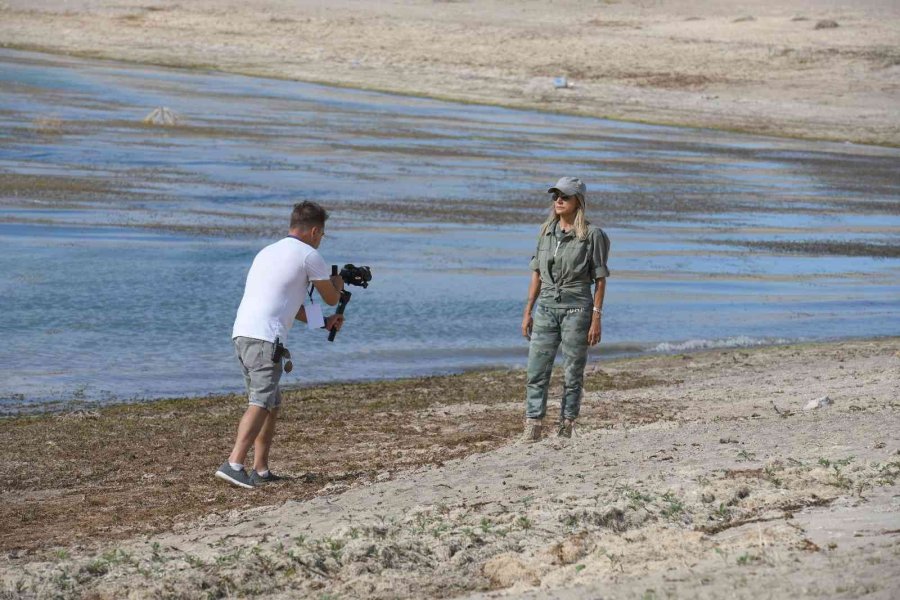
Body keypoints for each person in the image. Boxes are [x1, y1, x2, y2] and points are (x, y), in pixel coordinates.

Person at [215, 201, 345, 489]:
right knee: (261, 402)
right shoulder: (309, 255)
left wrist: (324, 322)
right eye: (322, 235)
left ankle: (260, 469)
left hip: (243, 333)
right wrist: (338, 282)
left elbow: (287, 304)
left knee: (271, 404)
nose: (321, 240)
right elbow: (332, 298)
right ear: (314, 231)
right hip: (265, 338)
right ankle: (233, 463)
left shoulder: (267, 252)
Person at [520, 177, 610, 442]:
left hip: (577, 309)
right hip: (546, 308)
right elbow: (537, 273)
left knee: (572, 372)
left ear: (578, 201)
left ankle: (566, 425)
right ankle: (533, 425)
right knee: (536, 369)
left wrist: (596, 317)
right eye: (555, 196)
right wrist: (528, 311)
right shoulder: (545, 231)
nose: (558, 200)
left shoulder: (592, 235)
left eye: (565, 196)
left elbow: (600, 280)